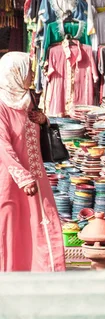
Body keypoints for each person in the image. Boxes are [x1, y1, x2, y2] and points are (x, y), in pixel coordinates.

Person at [0, 52, 65, 272]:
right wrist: (22, 177)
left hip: (36, 175)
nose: (31, 75)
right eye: (27, 70)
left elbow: (36, 131)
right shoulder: (1, 105)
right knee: (11, 225)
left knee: (42, 220)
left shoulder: (29, 99)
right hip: (10, 179)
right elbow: (3, 145)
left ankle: (44, 273)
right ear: (15, 73)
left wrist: (44, 120)